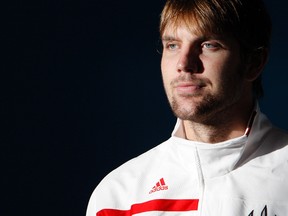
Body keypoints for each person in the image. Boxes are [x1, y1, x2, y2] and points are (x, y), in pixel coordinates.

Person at [86, 0, 288, 215]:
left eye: (208, 45)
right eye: (173, 45)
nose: (184, 63)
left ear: (254, 62)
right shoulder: (119, 196)